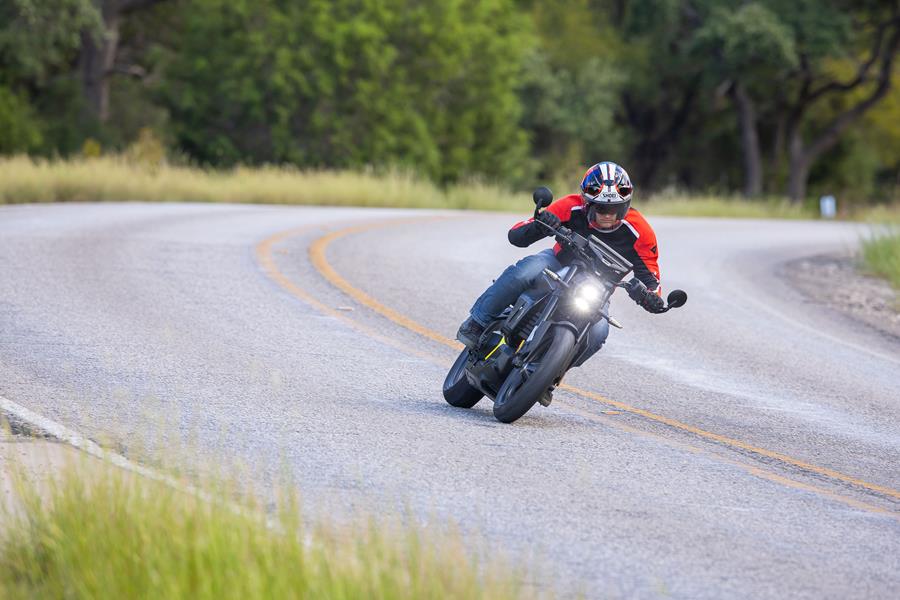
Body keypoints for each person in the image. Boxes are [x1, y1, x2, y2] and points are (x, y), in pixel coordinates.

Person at [456, 161, 666, 366]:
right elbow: (516, 235)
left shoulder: (641, 232)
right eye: (601, 208)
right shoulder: (571, 206)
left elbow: (651, 279)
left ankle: (550, 373)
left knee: (599, 333)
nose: (608, 216)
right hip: (556, 263)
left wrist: (650, 298)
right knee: (526, 270)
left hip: (599, 289)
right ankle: (477, 323)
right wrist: (542, 223)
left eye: (617, 209)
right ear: (586, 203)